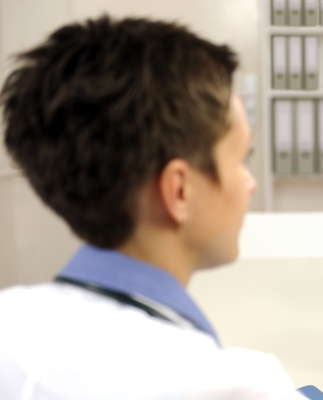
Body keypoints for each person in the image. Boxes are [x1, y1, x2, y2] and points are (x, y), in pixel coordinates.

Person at [0, 17, 306, 399]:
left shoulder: (7, 321)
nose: (250, 183)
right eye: (241, 159)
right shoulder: (232, 384)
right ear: (179, 191)